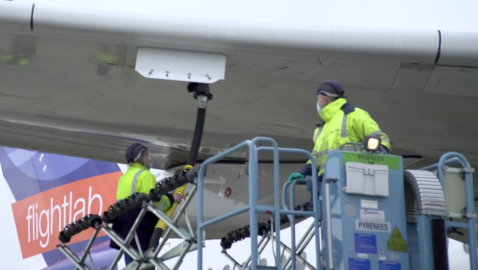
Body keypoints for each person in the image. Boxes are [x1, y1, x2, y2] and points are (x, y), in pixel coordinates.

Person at [288, 80, 391, 194]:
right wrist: (304, 172)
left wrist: (381, 153)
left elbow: (381, 139)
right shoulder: (321, 129)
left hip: (352, 181)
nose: (317, 102)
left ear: (324, 99)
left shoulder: (353, 114)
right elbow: (316, 158)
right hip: (324, 184)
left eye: (317, 99)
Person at [109, 143, 182, 265]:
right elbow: (154, 203)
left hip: (125, 231)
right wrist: (172, 198)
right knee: (145, 265)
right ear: (141, 158)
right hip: (141, 229)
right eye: (147, 154)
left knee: (132, 266)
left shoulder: (124, 178)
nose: (149, 157)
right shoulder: (146, 176)